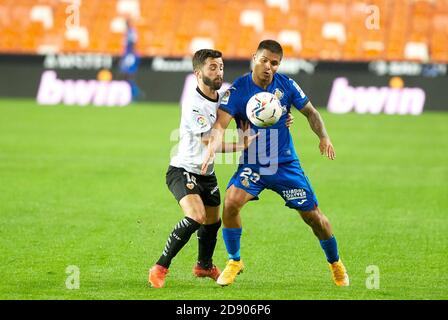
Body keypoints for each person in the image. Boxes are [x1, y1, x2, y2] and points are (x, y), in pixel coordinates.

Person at [201, 40, 349, 287]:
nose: (268, 67)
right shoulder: (237, 91)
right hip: (254, 165)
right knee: (231, 203)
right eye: (264, 60)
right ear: (254, 58)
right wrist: (211, 150)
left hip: (285, 165)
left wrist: (323, 136)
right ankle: (234, 260)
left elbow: (311, 112)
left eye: (274, 63)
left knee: (314, 218)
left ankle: (335, 263)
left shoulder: (287, 85)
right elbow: (219, 126)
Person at [148, 49, 258, 288]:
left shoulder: (224, 98)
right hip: (182, 170)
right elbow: (210, 139)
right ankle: (160, 266)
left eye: (220, 67)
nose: (218, 72)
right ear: (198, 73)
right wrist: (243, 143)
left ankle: (203, 266)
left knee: (212, 222)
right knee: (196, 217)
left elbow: (251, 109)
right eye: (212, 67)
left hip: (206, 174)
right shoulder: (193, 104)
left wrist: (279, 116)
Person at [118, 19, 142, 101]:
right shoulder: (127, 32)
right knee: (126, 76)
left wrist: (133, 54)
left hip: (130, 55)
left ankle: (135, 94)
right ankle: (131, 94)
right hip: (127, 55)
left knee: (130, 75)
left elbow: (133, 43)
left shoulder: (131, 32)